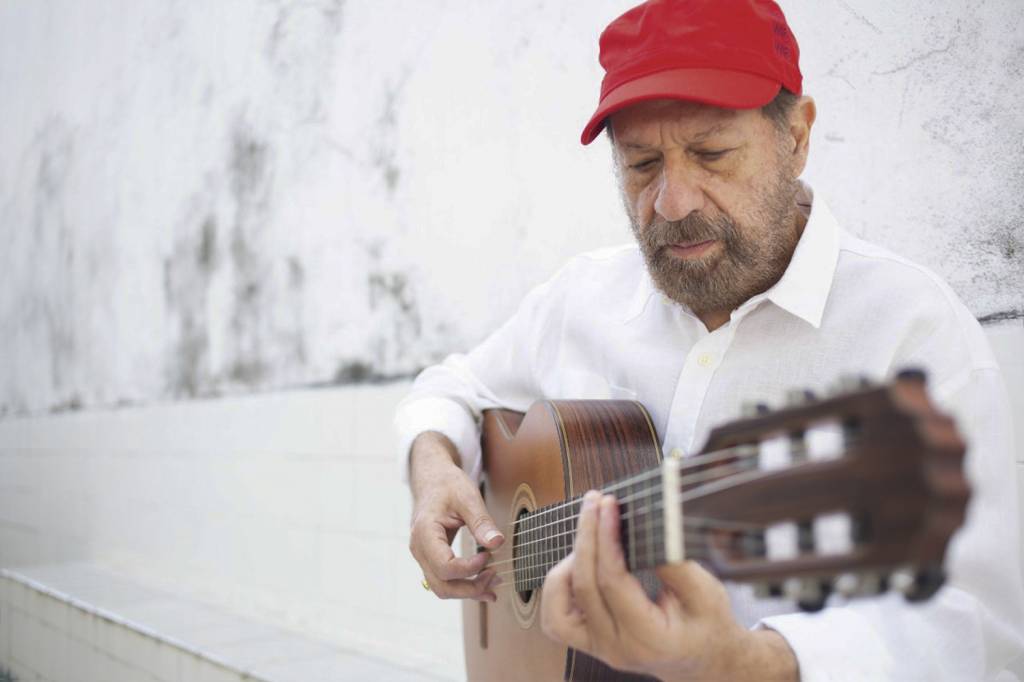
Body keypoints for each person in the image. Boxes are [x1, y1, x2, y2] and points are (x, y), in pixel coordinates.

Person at [396, 0, 1024, 679]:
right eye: (641, 164)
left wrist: (755, 663)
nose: (673, 201)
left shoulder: (908, 329)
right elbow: (450, 388)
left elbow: (983, 630)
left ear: (797, 136)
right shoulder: (580, 298)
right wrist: (432, 468)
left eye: (711, 153)